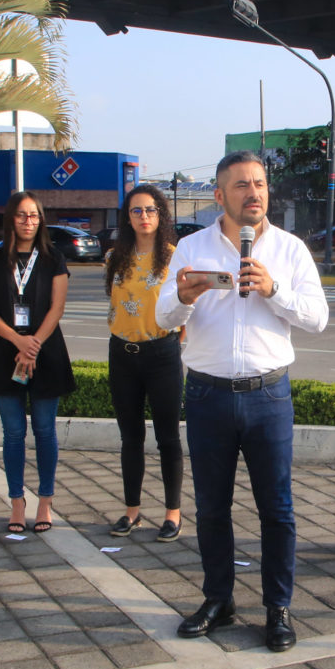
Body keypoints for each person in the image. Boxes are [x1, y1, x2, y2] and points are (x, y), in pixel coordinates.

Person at [156, 151, 329, 652]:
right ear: (219, 195)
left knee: (277, 510)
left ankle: (278, 608)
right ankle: (219, 600)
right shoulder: (191, 246)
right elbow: (164, 318)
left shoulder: (291, 250)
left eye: (259, 184)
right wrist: (184, 297)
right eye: (241, 186)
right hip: (208, 394)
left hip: (268, 395)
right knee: (211, 509)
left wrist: (275, 291)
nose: (254, 193)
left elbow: (317, 318)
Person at [0, 191, 76, 534]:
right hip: (5, 350)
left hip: (45, 351)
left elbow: (57, 309)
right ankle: (17, 502)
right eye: (21, 215)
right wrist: (18, 341)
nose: (28, 221)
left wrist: (32, 346)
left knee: (45, 430)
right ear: (11, 218)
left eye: (34, 215)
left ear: (41, 219)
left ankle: (45, 502)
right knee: (14, 432)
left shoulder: (53, 258)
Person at [104, 183, 183, 541]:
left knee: (168, 438)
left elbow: (186, 306)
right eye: (136, 211)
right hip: (122, 354)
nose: (144, 217)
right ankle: (132, 512)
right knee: (130, 437)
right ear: (127, 217)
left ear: (161, 215)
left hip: (162, 354)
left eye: (150, 210)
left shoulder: (173, 256)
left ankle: (172, 514)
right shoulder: (114, 258)